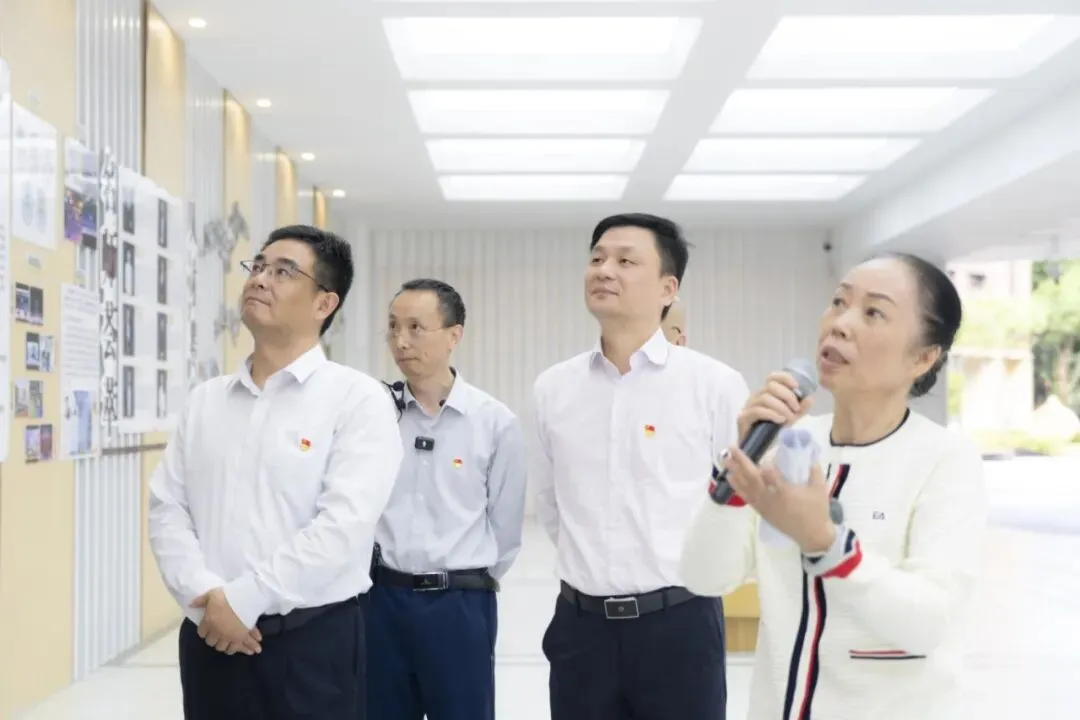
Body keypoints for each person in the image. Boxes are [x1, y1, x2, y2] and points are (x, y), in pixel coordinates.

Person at [680, 253, 986, 720]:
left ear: (924, 357)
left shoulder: (944, 460)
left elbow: (928, 622)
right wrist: (741, 464)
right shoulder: (786, 446)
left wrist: (827, 544)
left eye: (873, 312)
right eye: (839, 302)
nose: (840, 324)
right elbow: (705, 575)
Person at [148, 225, 403, 720]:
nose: (260, 279)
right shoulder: (206, 401)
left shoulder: (357, 399)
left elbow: (342, 527)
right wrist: (205, 602)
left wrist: (243, 600)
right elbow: (167, 508)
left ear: (324, 303)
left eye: (284, 272)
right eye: (259, 266)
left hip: (310, 646)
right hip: (208, 638)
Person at [533, 213, 749, 720]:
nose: (604, 270)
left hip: (679, 626)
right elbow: (550, 504)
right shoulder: (554, 388)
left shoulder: (714, 385)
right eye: (597, 258)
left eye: (626, 261)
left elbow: (740, 506)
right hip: (581, 630)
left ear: (667, 288)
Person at [369, 278, 527, 720]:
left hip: (459, 607)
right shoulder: (374, 415)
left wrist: (462, 580)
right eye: (393, 327)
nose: (401, 341)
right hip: (381, 601)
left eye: (416, 327)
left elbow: (506, 529)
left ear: (454, 335)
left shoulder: (493, 423)